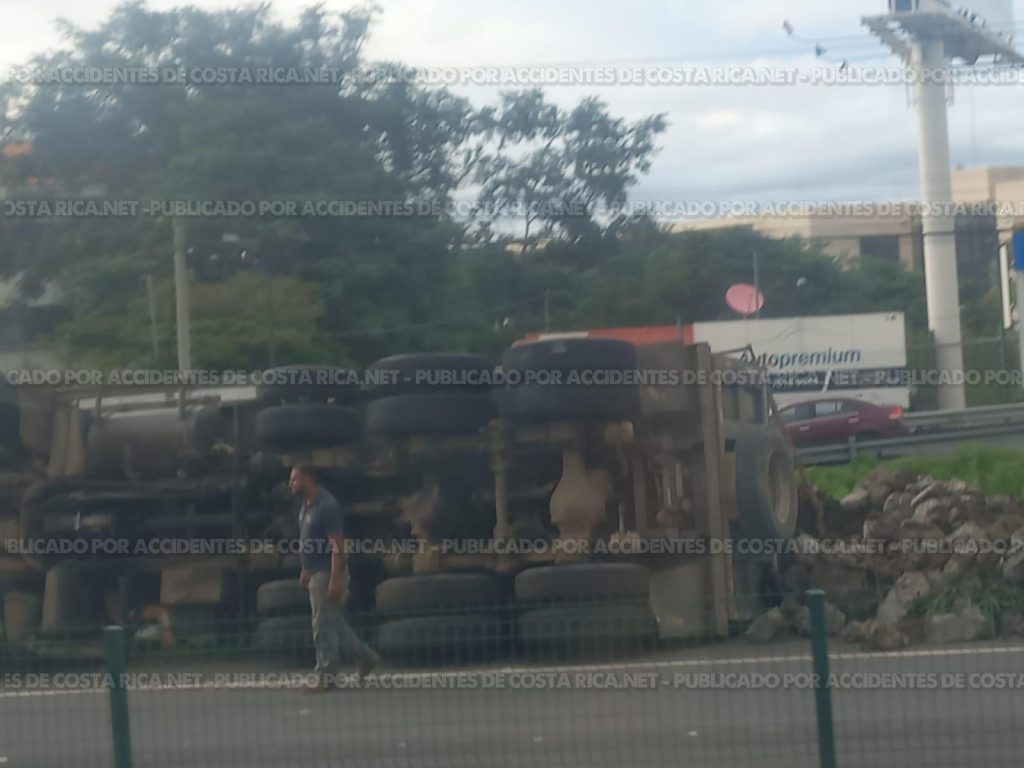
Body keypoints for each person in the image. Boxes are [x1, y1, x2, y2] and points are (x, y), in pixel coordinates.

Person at [289, 465, 380, 692]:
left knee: (321, 625)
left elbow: (337, 546)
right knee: (333, 622)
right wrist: (305, 569)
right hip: (314, 572)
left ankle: (326, 676)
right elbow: (308, 540)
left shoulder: (327, 506)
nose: (291, 484)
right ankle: (366, 658)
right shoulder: (306, 506)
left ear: (308, 479)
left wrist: (335, 579)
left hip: (326, 573)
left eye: (294, 479)